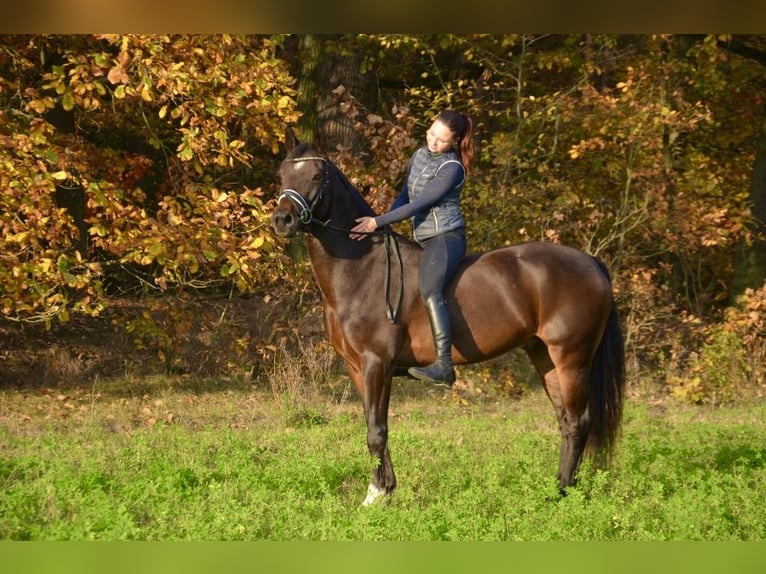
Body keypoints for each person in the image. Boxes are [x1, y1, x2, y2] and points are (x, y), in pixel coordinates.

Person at [350, 109, 474, 387]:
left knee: (430, 289)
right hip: (424, 238)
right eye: (431, 134)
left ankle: (444, 365)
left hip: (446, 238)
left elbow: (422, 203)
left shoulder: (452, 168)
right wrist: (385, 226)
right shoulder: (419, 155)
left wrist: (377, 221)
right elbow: (407, 194)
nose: (433, 142)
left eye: (441, 140)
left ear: (453, 142)